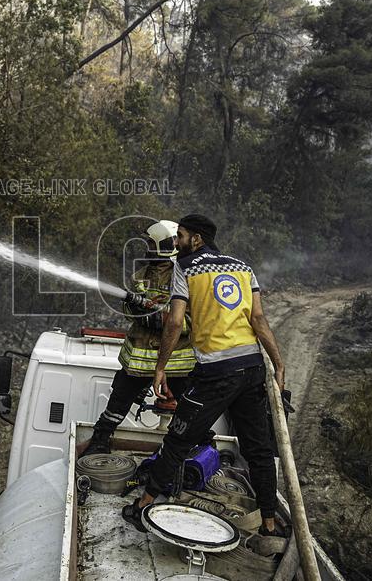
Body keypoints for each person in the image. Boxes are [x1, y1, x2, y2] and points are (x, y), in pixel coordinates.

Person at [120, 214, 288, 539]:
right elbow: (258, 319)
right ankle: (269, 523)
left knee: (178, 440)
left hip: (215, 373)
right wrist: (278, 364)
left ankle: (144, 504)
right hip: (252, 369)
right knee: (259, 451)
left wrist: (160, 367)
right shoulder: (243, 267)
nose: (176, 243)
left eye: (180, 236)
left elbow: (173, 322)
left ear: (196, 239)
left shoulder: (186, 267)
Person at [80, 220, 196, 456]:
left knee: (190, 411)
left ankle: (199, 448)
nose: (147, 249)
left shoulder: (187, 279)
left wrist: (164, 320)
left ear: (166, 245)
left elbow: (194, 321)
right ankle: (100, 440)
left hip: (176, 362)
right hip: (138, 360)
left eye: (151, 244)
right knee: (118, 402)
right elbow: (129, 311)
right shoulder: (139, 277)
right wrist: (145, 314)